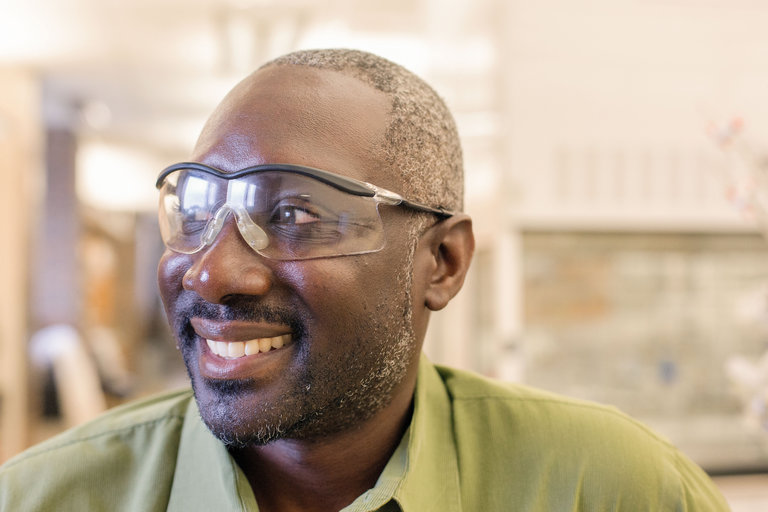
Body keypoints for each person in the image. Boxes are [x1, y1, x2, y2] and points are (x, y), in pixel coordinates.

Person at [0, 49, 729, 511]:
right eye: (195, 210)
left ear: (441, 263)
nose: (213, 269)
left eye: (293, 213)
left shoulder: (609, 488)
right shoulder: (45, 498)